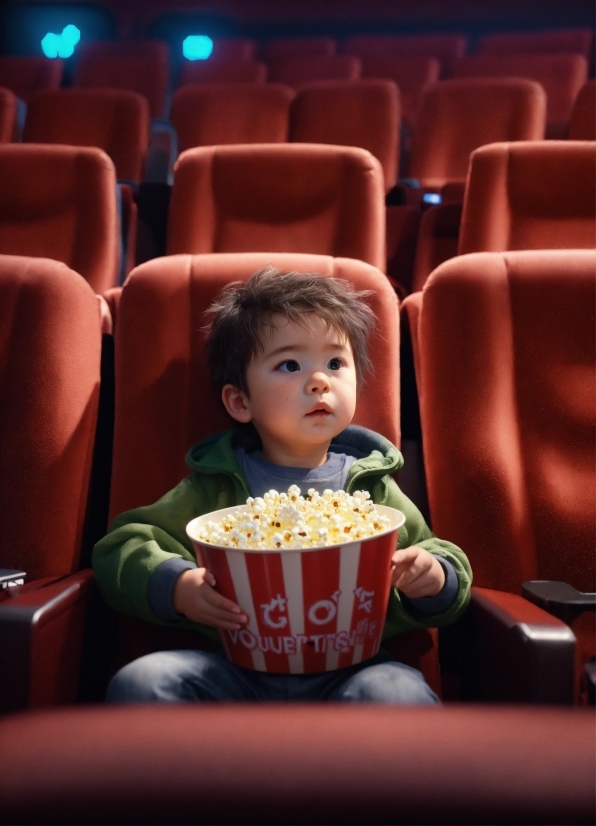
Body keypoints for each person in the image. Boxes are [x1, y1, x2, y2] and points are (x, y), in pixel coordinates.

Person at [93, 267, 472, 703]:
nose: (319, 380)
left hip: (353, 672)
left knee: (398, 692)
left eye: (336, 362)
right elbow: (121, 546)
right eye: (290, 364)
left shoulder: (371, 485)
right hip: (236, 671)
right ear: (240, 401)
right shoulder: (215, 485)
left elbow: (439, 554)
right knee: (142, 682)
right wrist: (177, 587)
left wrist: (434, 577)